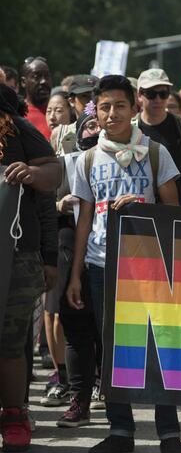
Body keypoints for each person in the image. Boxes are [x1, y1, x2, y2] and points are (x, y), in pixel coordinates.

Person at [65, 75, 181, 453]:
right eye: (104, 106)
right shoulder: (87, 159)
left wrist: (141, 205)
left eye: (120, 105)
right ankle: (120, 429)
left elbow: (173, 211)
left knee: (160, 346)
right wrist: (75, 274)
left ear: (134, 108)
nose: (112, 113)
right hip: (102, 267)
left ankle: (169, 432)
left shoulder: (155, 153)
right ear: (96, 112)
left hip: (150, 266)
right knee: (112, 349)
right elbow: (84, 220)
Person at [0, 84, 61, 452]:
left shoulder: (16, 128)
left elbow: (53, 171)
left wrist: (32, 173)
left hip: (16, 254)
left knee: (9, 342)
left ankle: (14, 416)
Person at [55, 107, 103, 428]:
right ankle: (79, 401)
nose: (95, 130)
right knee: (76, 328)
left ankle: (111, 393)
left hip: (106, 253)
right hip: (69, 252)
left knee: (106, 330)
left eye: (100, 125)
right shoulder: (63, 164)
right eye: (90, 125)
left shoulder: (119, 161)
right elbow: (42, 205)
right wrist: (59, 204)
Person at [136, 68, 181, 206]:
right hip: (142, 209)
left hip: (180, 209)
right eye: (151, 94)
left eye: (163, 94)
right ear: (139, 95)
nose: (158, 99)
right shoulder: (130, 128)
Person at [20, 57, 52, 140]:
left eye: (47, 76)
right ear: (23, 82)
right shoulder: (17, 114)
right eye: (36, 77)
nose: (44, 81)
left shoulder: (64, 112)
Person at [47, 91, 78, 155]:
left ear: (72, 112)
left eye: (58, 111)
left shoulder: (76, 140)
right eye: (48, 111)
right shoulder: (43, 144)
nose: (51, 117)